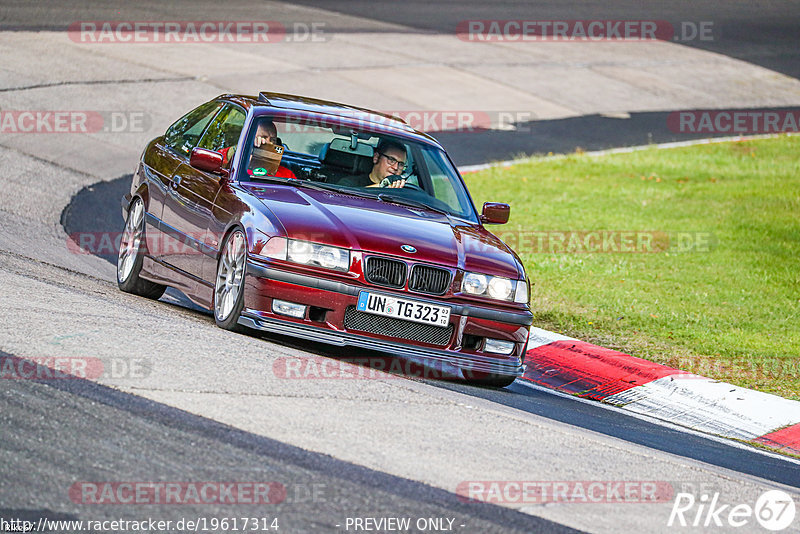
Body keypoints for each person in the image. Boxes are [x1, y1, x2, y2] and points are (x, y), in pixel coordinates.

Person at [338, 139, 407, 188]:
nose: (395, 167)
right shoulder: (350, 183)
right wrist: (382, 185)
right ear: (376, 157)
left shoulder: (402, 192)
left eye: (401, 164)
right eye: (391, 160)